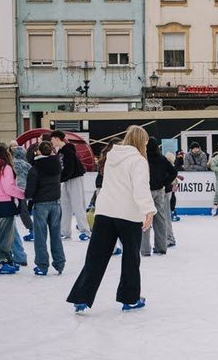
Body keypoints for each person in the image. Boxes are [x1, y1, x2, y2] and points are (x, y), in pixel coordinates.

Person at [67, 126, 156, 314]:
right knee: (131, 257)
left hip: (105, 212)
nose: (146, 147)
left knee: (95, 257)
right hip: (128, 215)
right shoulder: (138, 161)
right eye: (146, 143)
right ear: (141, 142)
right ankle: (129, 299)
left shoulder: (111, 157)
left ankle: (81, 298)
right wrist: (149, 210)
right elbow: (140, 189)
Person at [25, 141, 65, 276]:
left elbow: (30, 191)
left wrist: (28, 196)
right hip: (56, 203)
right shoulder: (57, 165)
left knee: (40, 236)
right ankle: (59, 263)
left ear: (39, 152)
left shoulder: (35, 168)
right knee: (56, 234)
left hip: (41, 204)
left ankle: (42, 265)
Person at [0, 144, 25, 275]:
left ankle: (6, 260)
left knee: (5, 233)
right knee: (6, 235)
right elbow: (9, 188)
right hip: (6, 202)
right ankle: (1, 262)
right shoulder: (4, 167)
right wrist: (23, 194)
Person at [51, 130, 90, 241]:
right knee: (65, 204)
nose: (51, 141)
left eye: (52, 139)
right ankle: (65, 230)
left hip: (74, 178)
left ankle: (85, 231)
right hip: (66, 180)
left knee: (77, 204)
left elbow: (70, 167)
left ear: (57, 138)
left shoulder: (68, 150)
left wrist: (61, 179)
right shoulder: (60, 152)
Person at [141, 138, 176, 257]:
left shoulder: (143, 159)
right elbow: (174, 172)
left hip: (147, 191)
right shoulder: (162, 159)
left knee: (146, 218)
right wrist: (165, 183)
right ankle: (161, 247)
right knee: (160, 218)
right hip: (160, 191)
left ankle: (145, 249)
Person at [10, 145, 34, 241]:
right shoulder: (27, 165)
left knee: (14, 210)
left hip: (13, 189)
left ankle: (10, 231)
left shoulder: (11, 164)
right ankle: (31, 229)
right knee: (23, 210)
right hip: (24, 189)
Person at [163, 151, 180, 240]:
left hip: (168, 189)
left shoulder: (166, 165)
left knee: (172, 201)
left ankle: (172, 212)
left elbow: (173, 175)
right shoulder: (167, 166)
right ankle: (172, 212)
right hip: (167, 189)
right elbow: (172, 175)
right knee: (170, 203)